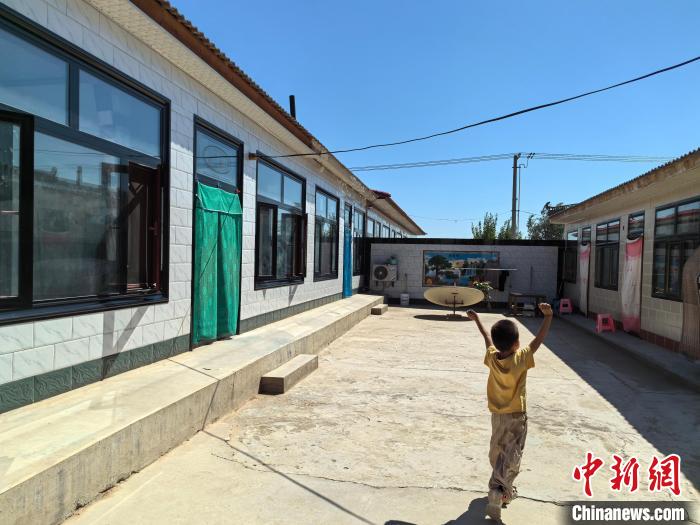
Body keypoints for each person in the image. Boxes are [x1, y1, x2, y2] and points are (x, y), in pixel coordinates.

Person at [466, 304, 553, 521]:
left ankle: (500, 488)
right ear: (516, 344)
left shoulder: (492, 357)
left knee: (497, 450)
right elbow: (538, 340)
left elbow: (487, 338)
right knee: (513, 453)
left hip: (497, 415)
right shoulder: (521, 358)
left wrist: (477, 320)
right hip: (516, 415)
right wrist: (548, 317)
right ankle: (500, 491)